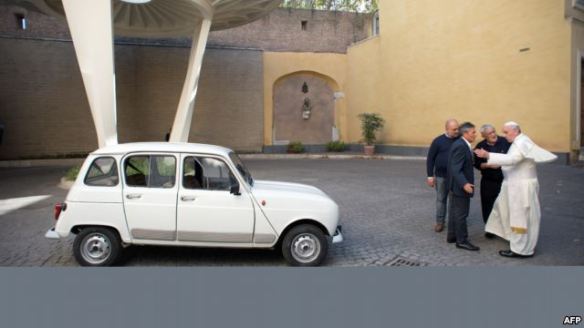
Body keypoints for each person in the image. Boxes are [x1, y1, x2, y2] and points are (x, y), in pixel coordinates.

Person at [474, 121, 556, 258]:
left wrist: (488, 156)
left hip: (520, 187)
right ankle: (513, 239)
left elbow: (512, 159)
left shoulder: (520, 143)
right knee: (502, 209)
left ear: (515, 131)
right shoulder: (520, 140)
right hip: (513, 185)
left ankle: (520, 250)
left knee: (520, 218)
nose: (504, 136)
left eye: (506, 132)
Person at [446, 122, 479, 251]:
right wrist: (464, 183)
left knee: (456, 212)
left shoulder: (462, 144)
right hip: (460, 186)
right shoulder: (460, 146)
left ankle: (452, 236)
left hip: (457, 185)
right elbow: (455, 168)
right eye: (473, 132)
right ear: (465, 133)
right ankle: (462, 241)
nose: (475, 135)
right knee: (461, 214)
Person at [473, 124, 511, 238]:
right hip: (488, 180)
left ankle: (505, 229)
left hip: (505, 179)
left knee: (505, 204)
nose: (493, 134)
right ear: (484, 135)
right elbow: (477, 164)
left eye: (494, 131)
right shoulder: (480, 146)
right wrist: (488, 165)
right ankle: (490, 229)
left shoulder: (505, 142)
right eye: (490, 133)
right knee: (487, 205)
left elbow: (512, 158)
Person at [426, 119, 459, 232]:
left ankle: (453, 223)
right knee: (441, 199)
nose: (456, 131)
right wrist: (430, 176)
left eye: (457, 128)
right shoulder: (438, 141)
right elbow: (430, 158)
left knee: (454, 200)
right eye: (454, 129)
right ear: (447, 129)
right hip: (441, 176)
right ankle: (440, 222)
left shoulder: (460, 140)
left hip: (455, 177)